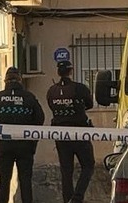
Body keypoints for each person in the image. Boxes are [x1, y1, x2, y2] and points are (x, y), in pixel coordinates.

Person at [0, 66, 45, 203]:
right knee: (25, 181)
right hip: (25, 146)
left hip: (3, 146)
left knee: (4, 181)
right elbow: (40, 118)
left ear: (5, 81)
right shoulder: (29, 98)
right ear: (20, 80)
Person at [46, 60, 95, 203]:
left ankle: (67, 199)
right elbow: (90, 104)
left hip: (61, 135)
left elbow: (52, 107)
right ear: (71, 71)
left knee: (66, 171)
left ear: (58, 72)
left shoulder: (51, 91)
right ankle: (77, 198)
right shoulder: (79, 88)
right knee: (88, 165)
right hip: (79, 133)